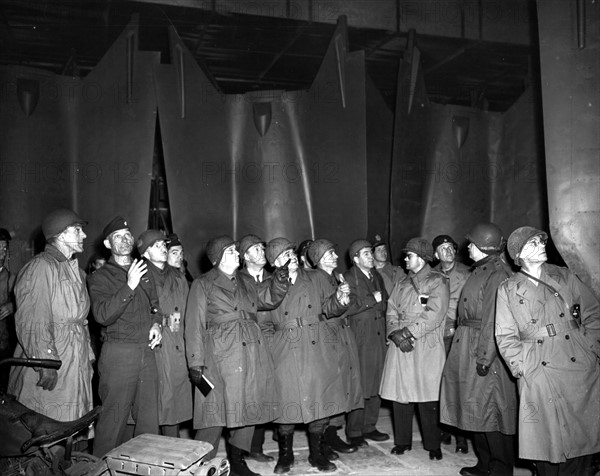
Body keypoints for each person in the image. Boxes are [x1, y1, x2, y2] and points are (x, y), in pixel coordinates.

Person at [496, 226, 600, 476]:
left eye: (541, 241)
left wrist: (591, 349)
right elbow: (505, 336)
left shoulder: (565, 276)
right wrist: (522, 368)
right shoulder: (508, 289)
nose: (542, 245)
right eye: (533, 243)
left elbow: (593, 313)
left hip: (576, 361)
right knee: (546, 442)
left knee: (581, 440)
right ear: (518, 254)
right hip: (537, 366)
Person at [185, 235, 290, 476]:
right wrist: (195, 362)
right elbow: (194, 325)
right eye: (230, 250)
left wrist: (280, 282)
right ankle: (201, 465)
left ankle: (237, 462)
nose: (236, 253)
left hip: (250, 352)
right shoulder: (203, 283)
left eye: (235, 250)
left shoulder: (245, 282)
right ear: (217, 258)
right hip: (218, 355)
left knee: (248, 407)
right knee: (213, 412)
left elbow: (267, 299)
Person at [260, 237, 353, 474]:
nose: (289, 258)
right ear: (273, 263)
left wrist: (341, 299)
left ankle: (317, 454)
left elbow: (330, 308)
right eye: (282, 256)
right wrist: (272, 349)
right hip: (284, 349)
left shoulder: (315, 277)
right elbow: (263, 325)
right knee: (286, 405)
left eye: (290, 252)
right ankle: (285, 455)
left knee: (319, 402)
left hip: (316, 346)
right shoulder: (266, 286)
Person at [8, 209, 94, 444]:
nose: (84, 235)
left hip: (74, 359)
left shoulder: (75, 270)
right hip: (54, 362)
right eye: (77, 230)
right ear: (61, 235)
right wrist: (44, 363)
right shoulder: (41, 268)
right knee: (49, 425)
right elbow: (33, 320)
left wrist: (89, 355)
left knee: (73, 424)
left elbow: (81, 320)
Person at [440, 222, 517, 476]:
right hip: (469, 344)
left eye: (472, 244)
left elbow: (494, 320)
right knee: (476, 410)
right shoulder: (481, 270)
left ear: (484, 246)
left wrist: (484, 357)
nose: (468, 248)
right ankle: (484, 464)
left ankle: (501, 468)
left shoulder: (496, 274)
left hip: (483, 351)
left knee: (491, 413)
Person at [87, 217, 163, 457]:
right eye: (117, 236)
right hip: (119, 354)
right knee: (113, 423)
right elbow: (102, 315)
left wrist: (157, 324)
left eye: (128, 234)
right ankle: (102, 470)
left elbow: (155, 306)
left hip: (146, 353)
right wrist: (129, 285)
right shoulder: (100, 277)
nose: (125, 239)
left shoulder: (143, 270)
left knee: (149, 421)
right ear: (108, 244)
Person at [380, 237, 448, 461]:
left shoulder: (437, 281)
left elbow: (434, 314)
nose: (405, 259)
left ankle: (433, 444)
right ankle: (402, 442)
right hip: (401, 344)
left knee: (427, 397)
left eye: (409, 256)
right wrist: (395, 334)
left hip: (424, 343)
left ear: (420, 257)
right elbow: (390, 312)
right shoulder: (401, 283)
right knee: (400, 396)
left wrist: (407, 333)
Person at [137, 229, 192, 438]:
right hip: (153, 344)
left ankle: (173, 448)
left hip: (176, 342)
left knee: (174, 404)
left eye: (164, 245)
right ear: (145, 252)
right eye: (156, 245)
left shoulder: (177, 276)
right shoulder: (140, 275)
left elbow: (187, 312)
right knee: (155, 403)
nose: (163, 248)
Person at [309, 239, 362, 456]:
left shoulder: (336, 277)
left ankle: (332, 435)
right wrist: (340, 298)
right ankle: (322, 441)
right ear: (317, 259)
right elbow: (324, 309)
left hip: (342, 334)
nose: (335, 257)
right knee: (329, 388)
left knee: (342, 386)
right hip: (328, 336)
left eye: (334, 252)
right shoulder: (314, 279)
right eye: (329, 254)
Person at [342, 239, 389, 448]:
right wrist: (371, 299)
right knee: (360, 385)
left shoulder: (376, 275)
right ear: (355, 259)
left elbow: (386, 301)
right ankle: (354, 431)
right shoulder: (349, 279)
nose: (371, 256)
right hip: (360, 338)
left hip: (378, 337)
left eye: (371, 253)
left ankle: (370, 426)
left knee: (377, 383)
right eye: (366, 254)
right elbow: (346, 308)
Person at [237, 233, 275, 463]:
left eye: (263, 248)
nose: (263, 252)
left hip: (273, 342)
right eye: (257, 249)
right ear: (245, 256)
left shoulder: (273, 279)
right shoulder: (237, 279)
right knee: (246, 395)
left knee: (266, 394)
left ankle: (256, 447)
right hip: (246, 344)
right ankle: (240, 448)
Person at [431, 234, 471, 454]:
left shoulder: (467, 273)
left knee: (458, 384)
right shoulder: (429, 274)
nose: (447, 251)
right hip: (435, 336)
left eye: (450, 247)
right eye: (442, 248)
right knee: (438, 384)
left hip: (458, 335)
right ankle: (443, 427)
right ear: (436, 254)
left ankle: (461, 436)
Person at [0, 227, 16, 391]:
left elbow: (25, 304)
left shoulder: (11, 278)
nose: (2, 253)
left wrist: (12, 306)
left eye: (4, 248)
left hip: (4, 346)